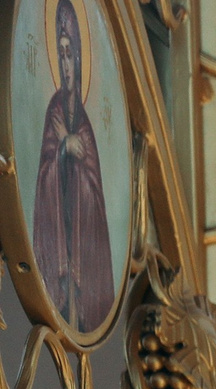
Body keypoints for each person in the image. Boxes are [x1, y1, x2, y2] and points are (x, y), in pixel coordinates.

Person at [33, 0, 114, 332]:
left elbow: (93, 186)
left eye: (70, 55)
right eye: (61, 54)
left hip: (82, 242)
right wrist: (64, 149)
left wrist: (78, 158)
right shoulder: (54, 112)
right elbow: (44, 173)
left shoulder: (84, 122)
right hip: (59, 235)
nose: (66, 64)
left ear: (80, 59)